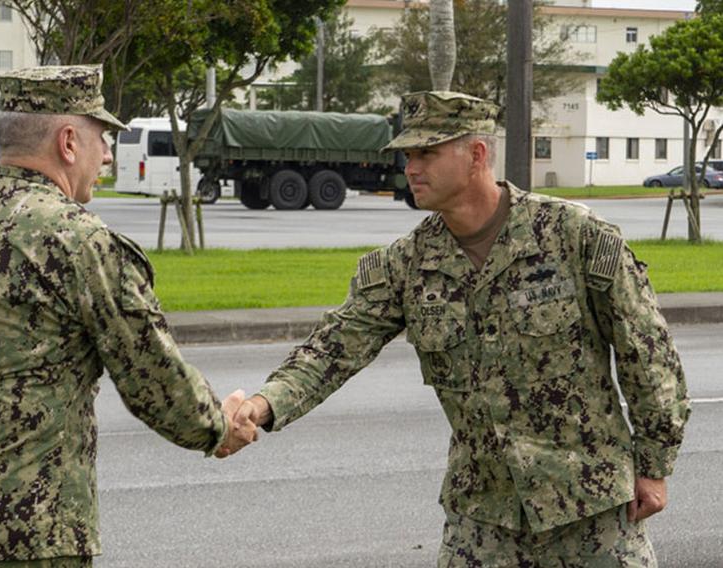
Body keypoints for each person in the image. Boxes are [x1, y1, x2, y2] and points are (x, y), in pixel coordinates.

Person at [223, 91, 691, 566]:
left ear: (477, 155)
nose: (411, 167)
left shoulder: (573, 235)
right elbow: (334, 347)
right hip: (482, 518)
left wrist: (654, 466)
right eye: (408, 155)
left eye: (427, 152)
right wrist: (261, 406)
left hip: (590, 509)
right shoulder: (409, 263)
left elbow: (649, 356)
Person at [0, 64, 256, 568]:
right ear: (68, 142)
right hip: (29, 538)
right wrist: (218, 428)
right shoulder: (82, 242)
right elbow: (151, 376)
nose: (108, 154)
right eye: (102, 138)